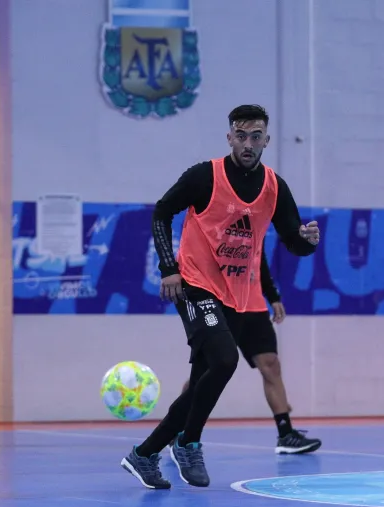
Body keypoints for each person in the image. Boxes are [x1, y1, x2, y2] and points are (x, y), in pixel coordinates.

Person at [121, 105, 321, 489]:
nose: (248, 143)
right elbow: (162, 212)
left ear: (266, 139)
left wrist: (307, 242)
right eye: (241, 136)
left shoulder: (275, 187)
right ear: (229, 137)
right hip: (195, 284)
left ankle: (144, 454)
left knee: (201, 380)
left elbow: (294, 239)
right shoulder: (204, 176)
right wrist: (168, 267)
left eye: (256, 136)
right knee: (226, 360)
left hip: (240, 298)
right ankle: (189, 443)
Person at [178, 268, 311, 449]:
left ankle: (285, 433)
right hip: (223, 302)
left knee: (270, 364)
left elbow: (259, 259)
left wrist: (272, 296)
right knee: (208, 370)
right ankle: (178, 428)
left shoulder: (256, 238)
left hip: (253, 304)